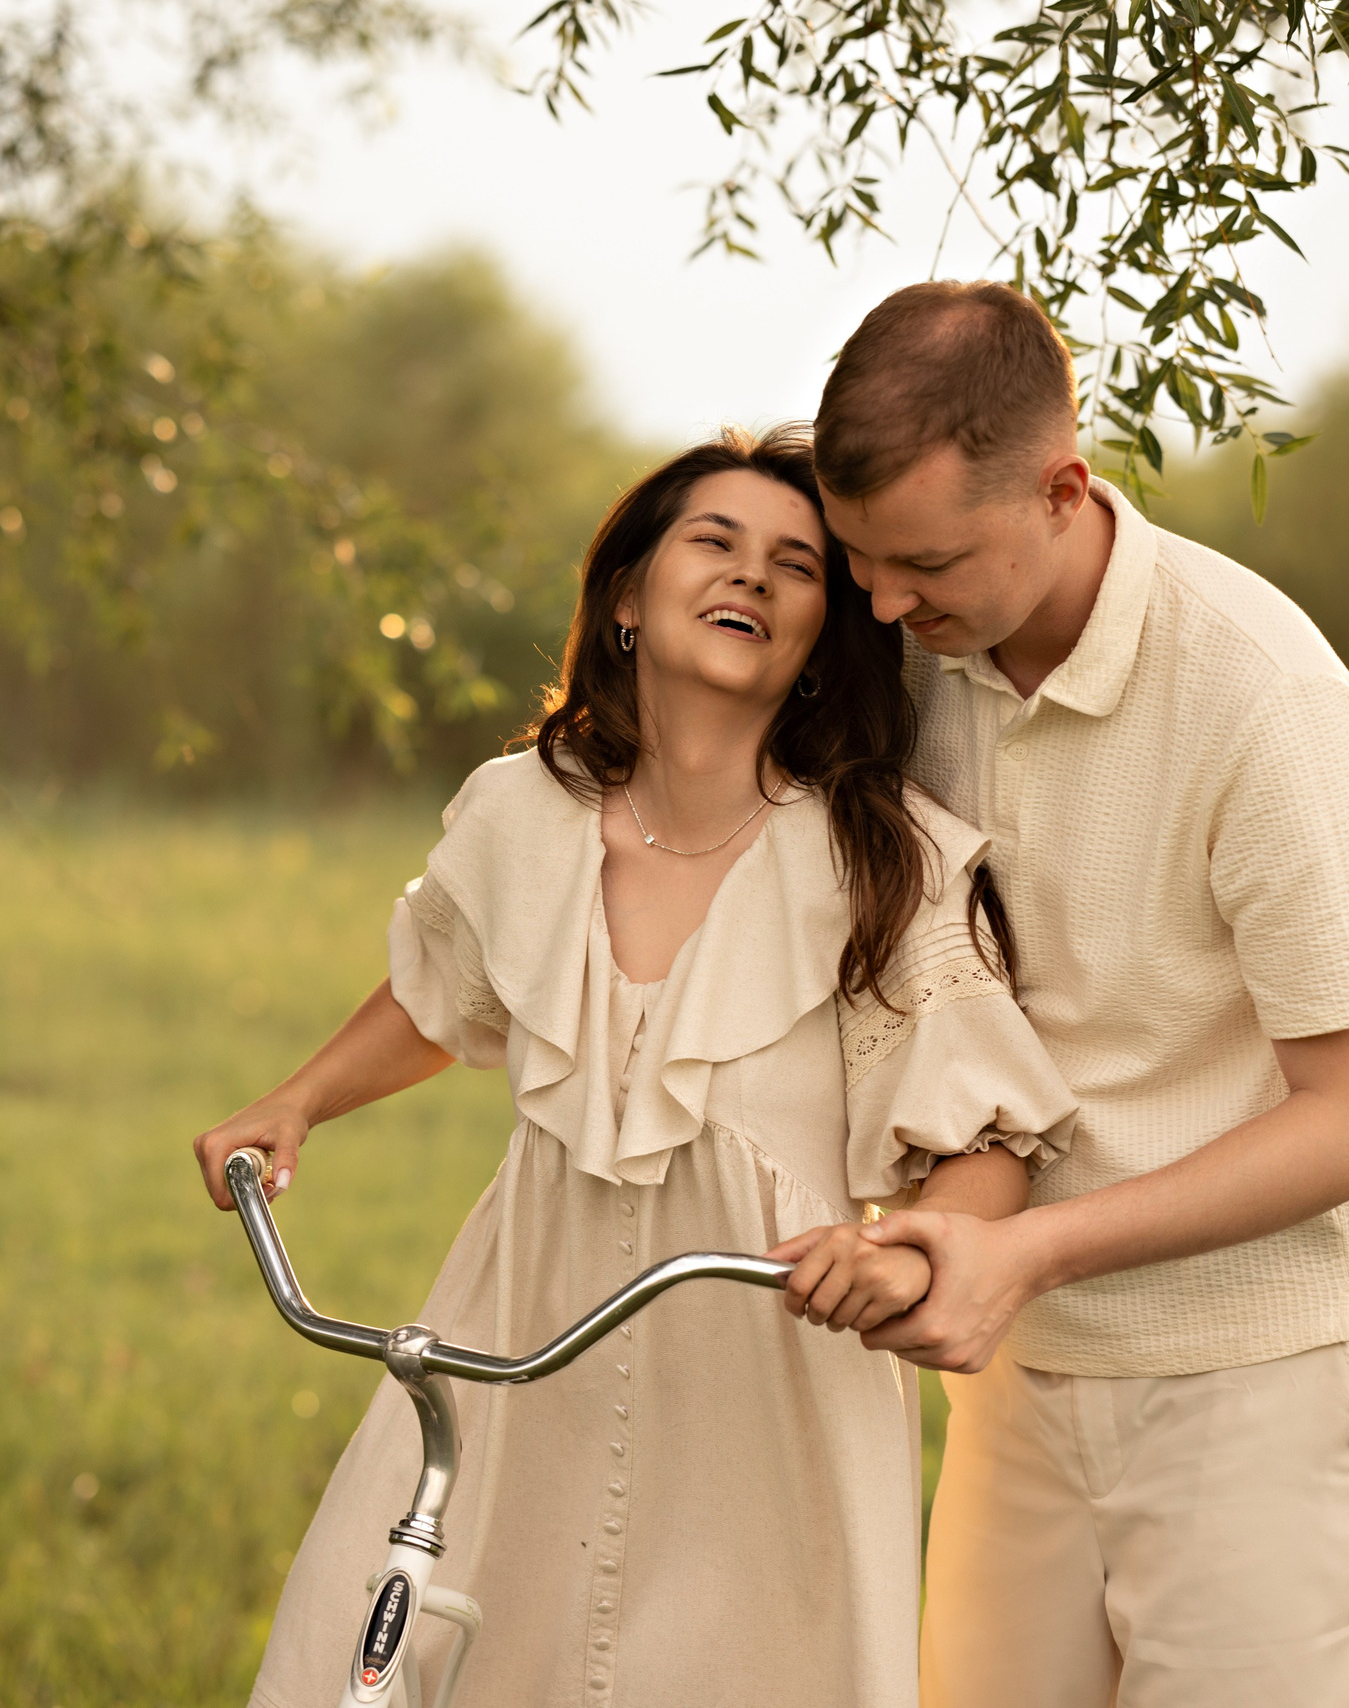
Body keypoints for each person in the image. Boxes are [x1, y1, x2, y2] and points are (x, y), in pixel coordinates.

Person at [193, 426, 1077, 1708]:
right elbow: (442, 988)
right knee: (392, 1628)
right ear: (626, 595)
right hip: (523, 1332)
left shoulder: (873, 855)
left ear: (824, 637)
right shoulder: (520, 813)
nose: (752, 576)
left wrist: (912, 1249)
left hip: (762, 1375)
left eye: (796, 566)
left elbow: (985, 1137)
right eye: (714, 542)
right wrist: (296, 1100)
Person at [791, 281, 1349, 1708]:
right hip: (1016, 1368)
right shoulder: (914, 653)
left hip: (1262, 1373)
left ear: (1066, 488)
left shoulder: (1258, 691)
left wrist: (1030, 1256)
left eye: (926, 562)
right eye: (861, 560)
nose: (883, 602)